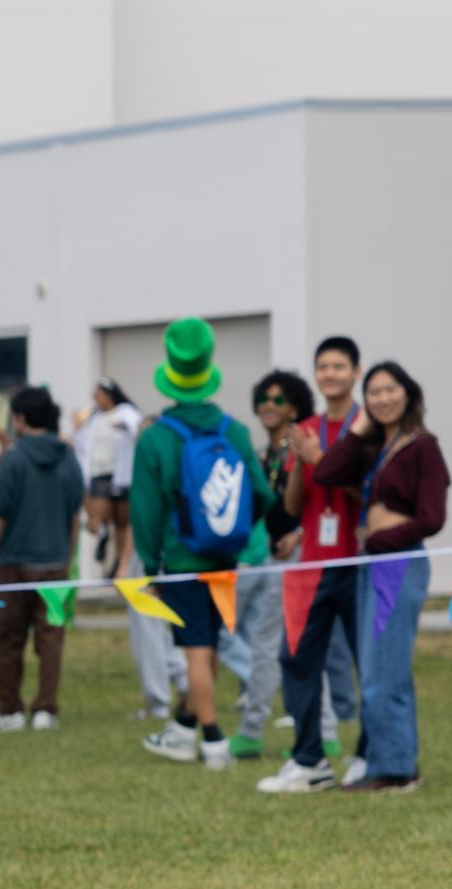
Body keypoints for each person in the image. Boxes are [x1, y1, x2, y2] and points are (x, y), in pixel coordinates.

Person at [130, 319, 274, 772]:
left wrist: (153, 564)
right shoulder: (233, 431)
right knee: (207, 644)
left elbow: (146, 512)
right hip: (224, 558)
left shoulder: (156, 438)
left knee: (193, 650)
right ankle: (183, 727)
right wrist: (231, 532)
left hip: (181, 558)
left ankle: (211, 739)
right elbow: (262, 494)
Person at [310, 362, 449, 793]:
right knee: (373, 667)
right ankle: (391, 763)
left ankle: (394, 769)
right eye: (374, 392)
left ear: (408, 394)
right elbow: (326, 473)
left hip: (398, 563)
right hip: (373, 562)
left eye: (391, 390)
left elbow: (431, 518)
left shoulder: (422, 447)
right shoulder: (376, 446)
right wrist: (360, 428)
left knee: (384, 670)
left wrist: (383, 539)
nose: (384, 398)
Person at [260, 337, 367, 794]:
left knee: (371, 662)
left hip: (359, 561)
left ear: (355, 372)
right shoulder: (304, 428)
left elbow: (371, 495)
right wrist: (298, 465)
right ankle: (309, 760)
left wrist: (321, 461)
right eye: (323, 366)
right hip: (312, 563)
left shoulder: (368, 427)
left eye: (339, 366)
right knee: (296, 657)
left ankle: (370, 755)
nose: (330, 374)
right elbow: (294, 504)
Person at [218, 370, 313, 760]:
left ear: (295, 405)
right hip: (261, 558)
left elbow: (320, 498)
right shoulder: (261, 455)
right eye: (264, 399)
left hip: (295, 558)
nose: (269, 406)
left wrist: (302, 534)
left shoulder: (304, 446)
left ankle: (262, 729)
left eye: (279, 399)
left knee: (294, 644)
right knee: (264, 642)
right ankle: (257, 728)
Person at [0, 387, 83, 732]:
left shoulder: (13, 458)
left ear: (20, 419)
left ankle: (9, 710)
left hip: (13, 562)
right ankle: (45, 709)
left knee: (9, 638)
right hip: (54, 561)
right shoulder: (69, 458)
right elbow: (73, 514)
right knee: (51, 638)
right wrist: (68, 556)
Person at [76, 378, 144, 576]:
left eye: (99, 396)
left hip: (121, 475)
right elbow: (83, 443)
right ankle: (103, 536)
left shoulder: (127, 413)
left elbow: (138, 430)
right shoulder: (93, 418)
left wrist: (124, 427)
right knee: (97, 518)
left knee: (121, 523)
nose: (96, 400)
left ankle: (119, 563)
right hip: (98, 474)